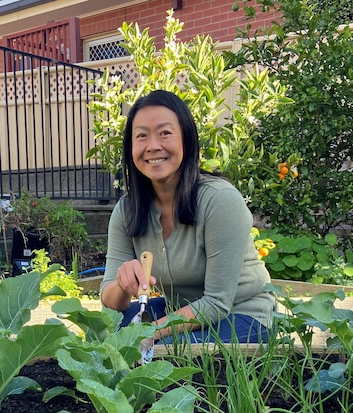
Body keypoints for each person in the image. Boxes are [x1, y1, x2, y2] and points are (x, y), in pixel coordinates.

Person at [99, 89, 275, 345]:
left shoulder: (219, 200)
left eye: (165, 133)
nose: (153, 146)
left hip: (242, 315)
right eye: (141, 136)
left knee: (166, 349)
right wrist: (122, 286)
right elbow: (109, 300)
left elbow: (217, 303)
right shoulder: (128, 210)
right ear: (130, 148)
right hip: (181, 311)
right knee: (108, 329)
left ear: (187, 140)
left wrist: (150, 332)